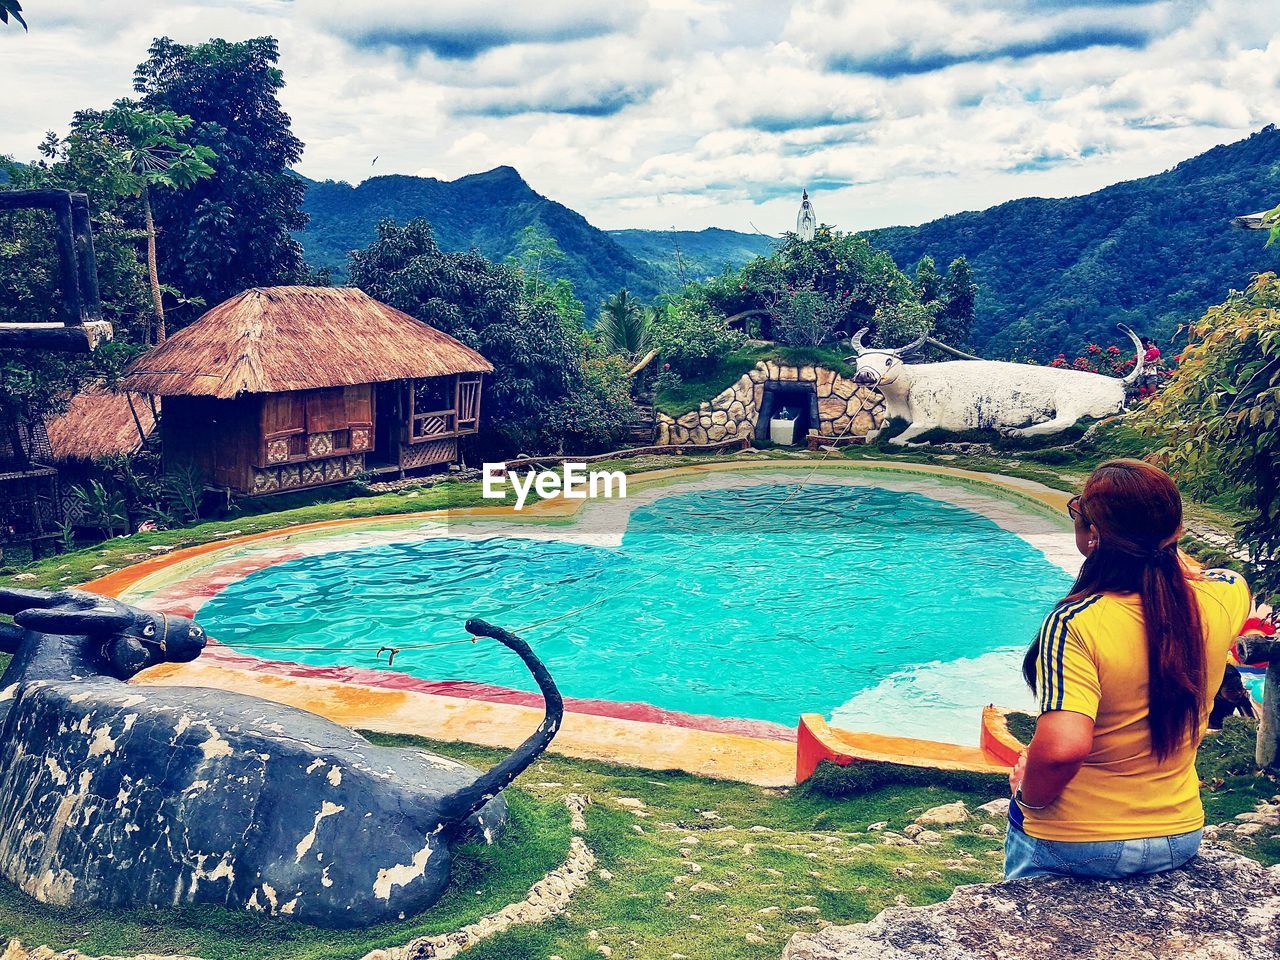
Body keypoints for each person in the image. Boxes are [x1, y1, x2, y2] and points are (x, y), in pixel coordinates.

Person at [1005, 459, 1252, 880]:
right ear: (1177, 532)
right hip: (1179, 834)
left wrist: (1027, 797)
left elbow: (1063, 749)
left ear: (1092, 536)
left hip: (1078, 838)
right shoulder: (1223, 599)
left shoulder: (1075, 623)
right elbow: (1222, 576)